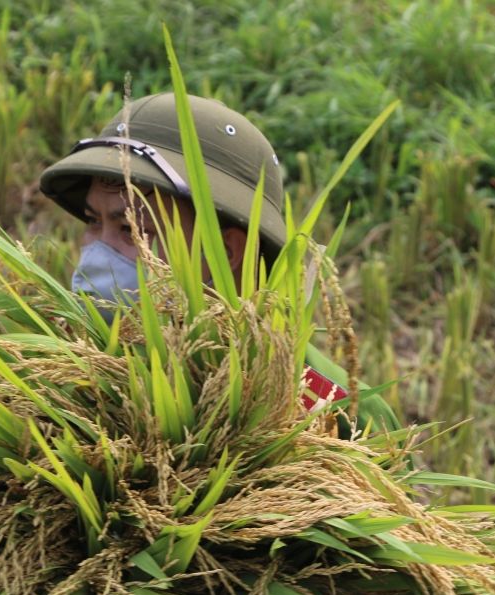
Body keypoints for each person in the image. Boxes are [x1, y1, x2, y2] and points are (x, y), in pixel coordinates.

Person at [40, 93, 399, 434]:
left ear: (225, 250)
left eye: (132, 230)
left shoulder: (336, 413)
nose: (97, 253)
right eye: (92, 222)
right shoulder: (59, 378)